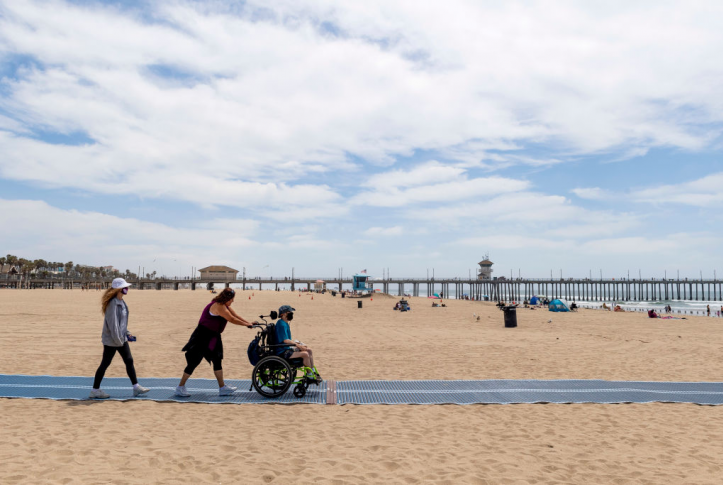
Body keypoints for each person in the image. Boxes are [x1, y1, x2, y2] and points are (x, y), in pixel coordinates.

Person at [175, 288, 255, 397]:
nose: (233, 301)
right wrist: (246, 325)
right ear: (227, 298)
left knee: (217, 360)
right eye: (232, 299)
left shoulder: (225, 306)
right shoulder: (219, 306)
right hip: (202, 336)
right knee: (194, 362)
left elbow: (236, 316)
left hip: (213, 336)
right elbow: (231, 319)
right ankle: (180, 387)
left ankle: (222, 388)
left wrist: (249, 323)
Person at [90, 278, 149, 399]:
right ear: (119, 289)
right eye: (124, 287)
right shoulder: (112, 304)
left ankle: (136, 387)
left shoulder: (122, 302)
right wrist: (119, 341)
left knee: (129, 360)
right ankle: (95, 390)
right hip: (112, 340)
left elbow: (122, 323)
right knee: (105, 364)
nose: (127, 289)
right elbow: (113, 325)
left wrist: (127, 333)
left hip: (121, 339)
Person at [274, 305, 321, 382]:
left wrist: (299, 343)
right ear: (284, 314)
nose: (291, 314)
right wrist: (298, 345)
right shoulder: (281, 324)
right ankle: (310, 376)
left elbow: (287, 339)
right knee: (305, 354)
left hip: (287, 348)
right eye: (290, 312)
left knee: (309, 350)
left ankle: (313, 372)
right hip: (282, 351)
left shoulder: (284, 323)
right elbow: (285, 340)